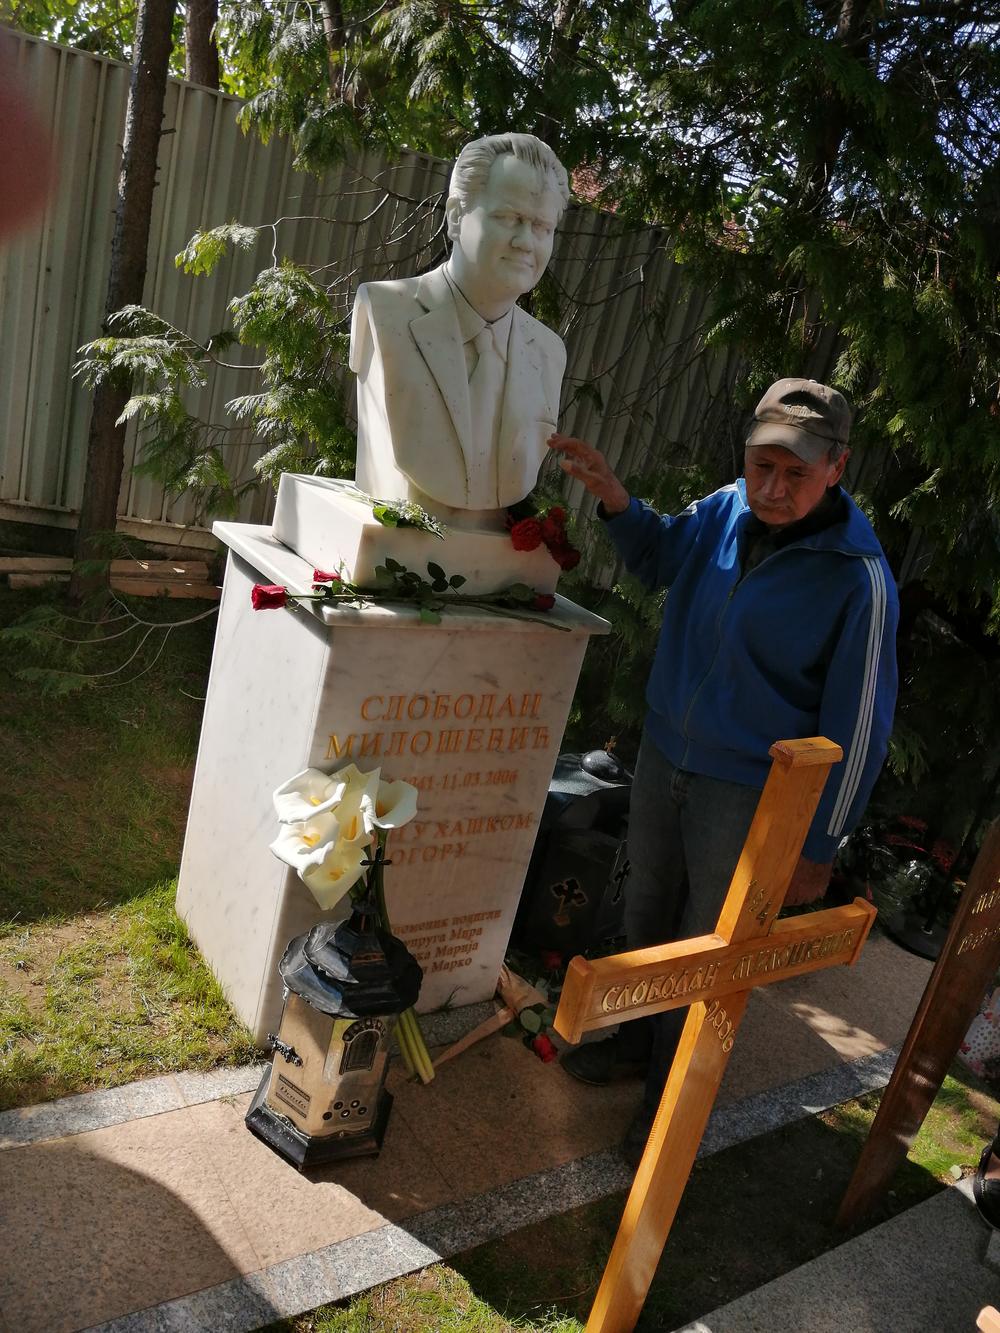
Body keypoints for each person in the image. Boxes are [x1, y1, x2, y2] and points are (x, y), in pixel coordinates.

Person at [548, 377, 899, 1165]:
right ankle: (636, 1043)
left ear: (837, 466)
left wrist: (819, 845)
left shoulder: (859, 576)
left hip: (748, 795)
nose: (772, 488)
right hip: (666, 757)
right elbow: (659, 553)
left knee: (705, 951)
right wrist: (616, 500)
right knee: (646, 914)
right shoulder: (723, 508)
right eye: (761, 465)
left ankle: (668, 1099)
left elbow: (861, 728)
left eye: (796, 473)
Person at [350, 133, 569, 526]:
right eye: (509, 218)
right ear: (455, 217)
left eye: (542, 227)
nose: (526, 242)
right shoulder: (384, 311)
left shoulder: (548, 353)